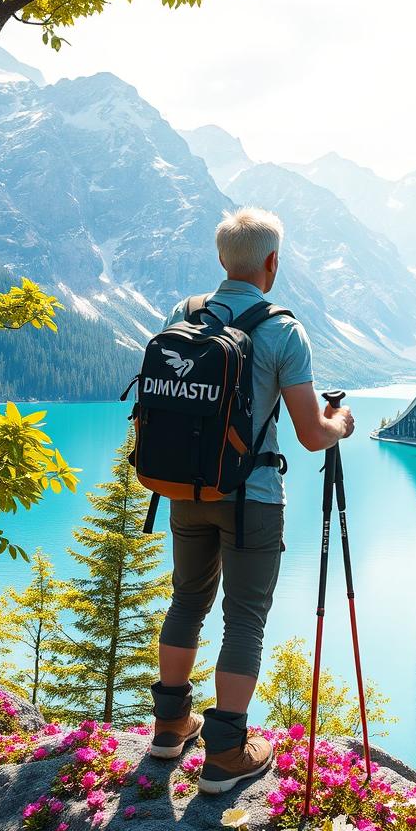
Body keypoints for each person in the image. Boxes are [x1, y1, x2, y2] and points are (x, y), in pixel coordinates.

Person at [148, 206, 355, 794]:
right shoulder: (283, 329)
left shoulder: (184, 314)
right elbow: (312, 433)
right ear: (272, 262)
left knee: (186, 601)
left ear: (221, 260)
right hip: (255, 497)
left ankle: (169, 729)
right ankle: (227, 753)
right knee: (243, 619)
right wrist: (341, 422)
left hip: (186, 489)